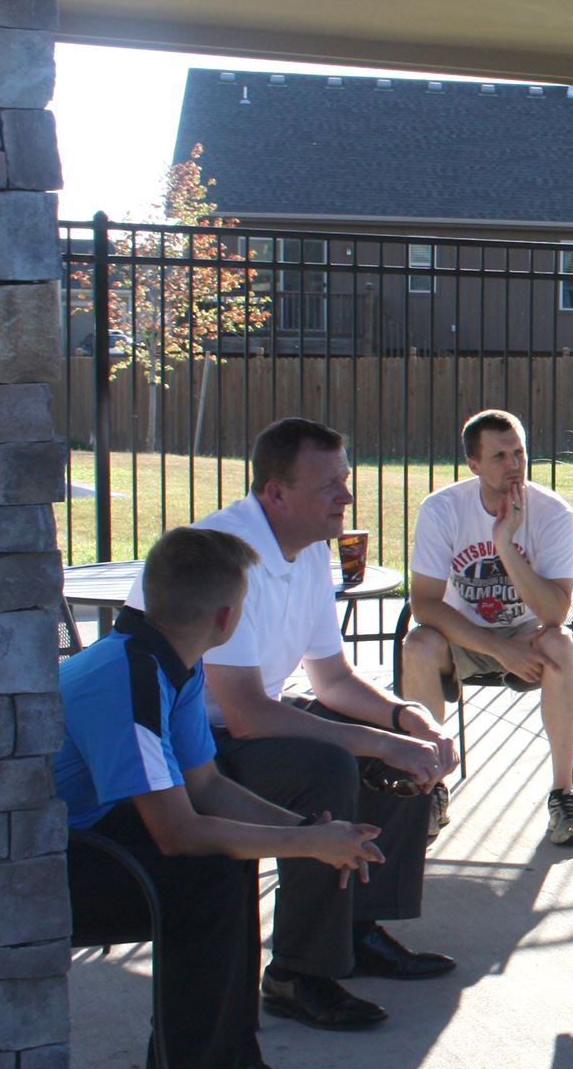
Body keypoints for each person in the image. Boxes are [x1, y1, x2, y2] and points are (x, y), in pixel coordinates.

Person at [58, 528, 386, 1069]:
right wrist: (310, 845)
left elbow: (205, 787)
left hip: (90, 837)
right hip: (46, 870)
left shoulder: (161, 659)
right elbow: (177, 832)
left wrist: (306, 835)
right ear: (228, 618)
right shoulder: (127, 677)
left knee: (226, 866)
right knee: (204, 882)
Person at [131, 417, 459, 1034]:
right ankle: (298, 973)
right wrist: (382, 741)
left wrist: (403, 717)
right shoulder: (226, 553)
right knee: (327, 767)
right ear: (276, 493)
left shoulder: (308, 550)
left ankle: (355, 930)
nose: (348, 496)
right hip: (194, 745)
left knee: (395, 751)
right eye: (330, 484)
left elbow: (331, 678)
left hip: (242, 722)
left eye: (347, 479)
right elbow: (247, 713)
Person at [400, 408, 573, 848]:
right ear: (474, 463)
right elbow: (425, 603)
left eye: (519, 453)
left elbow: (556, 611)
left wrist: (506, 544)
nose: (513, 465)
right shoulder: (443, 509)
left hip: (529, 635)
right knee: (417, 645)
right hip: (461, 635)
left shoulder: (552, 512)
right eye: (500, 456)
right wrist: (497, 651)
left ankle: (564, 795)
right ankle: (430, 786)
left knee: (561, 644)